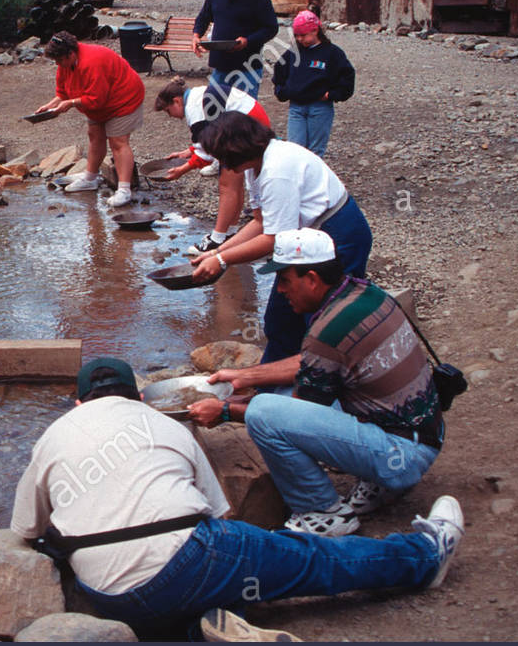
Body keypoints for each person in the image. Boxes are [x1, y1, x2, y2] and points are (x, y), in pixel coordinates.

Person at [10, 357, 464, 640]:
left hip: (109, 597)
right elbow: (220, 513)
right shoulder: (165, 425)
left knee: (198, 583)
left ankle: (199, 629)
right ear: (142, 397)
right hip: (184, 562)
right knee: (311, 559)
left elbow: (25, 530)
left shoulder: (50, 439)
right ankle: (425, 557)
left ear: (78, 404)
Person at [186, 229, 445, 537]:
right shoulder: (361, 294)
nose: (280, 290)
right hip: (422, 434)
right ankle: (379, 483)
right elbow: (311, 364)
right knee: (272, 398)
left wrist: (226, 411)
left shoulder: (328, 330)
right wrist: (245, 376)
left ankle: (321, 511)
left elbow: (296, 411)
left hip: (403, 454)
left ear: (311, 279)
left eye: (284, 280)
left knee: (263, 414)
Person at [189, 111, 372, 364]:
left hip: (339, 233)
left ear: (237, 149)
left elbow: (274, 239)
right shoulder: (255, 164)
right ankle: (274, 381)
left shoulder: (277, 170)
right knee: (280, 317)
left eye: (224, 158)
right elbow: (260, 222)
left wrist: (222, 260)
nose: (224, 166)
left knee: (325, 320)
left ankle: (326, 381)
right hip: (303, 235)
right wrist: (217, 251)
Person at [153, 78, 271, 253]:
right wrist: (189, 151)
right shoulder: (196, 95)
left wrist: (182, 169)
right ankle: (230, 232)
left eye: (168, 111)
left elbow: (206, 155)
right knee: (235, 183)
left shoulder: (194, 110)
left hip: (245, 129)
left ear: (176, 101)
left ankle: (217, 238)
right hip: (251, 123)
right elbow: (207, 136)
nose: (171, 116)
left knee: (227, 185)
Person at [35, 31, 146, 208]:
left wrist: (70, 103)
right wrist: (51, 105)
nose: (57, 64)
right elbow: (63, 92)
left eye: (59, 60)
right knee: (94, 135)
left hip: (124, 97)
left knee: (118, 141)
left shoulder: (91, 62)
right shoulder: (64, 64)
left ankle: (125, 190)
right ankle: (90, 178)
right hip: (98, 101)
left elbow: (96, 99)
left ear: (71, 53)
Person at [192, 0, 278, 101]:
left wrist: (248, 41)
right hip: (220, 66)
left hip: (247, 67)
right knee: (214, 109)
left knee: (243, 113)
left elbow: (271, 28)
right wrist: (196, 35)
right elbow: (204, 16)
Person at [273, 10, 355, 158]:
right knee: (294, 150)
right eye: (296, 35)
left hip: (320, 107)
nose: (299, 39)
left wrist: (333, 94)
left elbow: (347, 76)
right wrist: (282, 91)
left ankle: (313, 179)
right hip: (296, 108)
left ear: (315, 30)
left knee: (315, 152)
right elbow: (279, 70)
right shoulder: (293, 52)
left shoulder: (332, 53)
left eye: (303, 35)